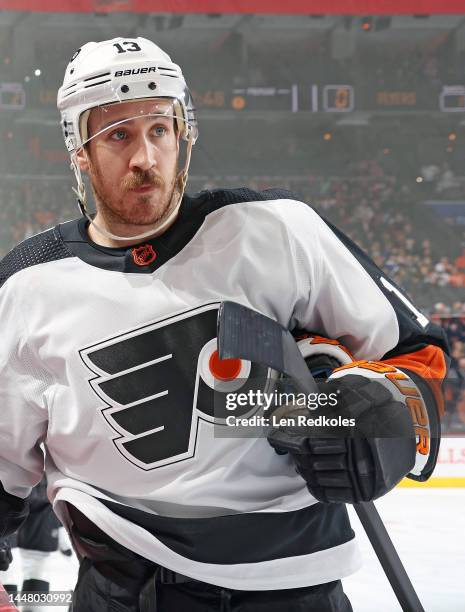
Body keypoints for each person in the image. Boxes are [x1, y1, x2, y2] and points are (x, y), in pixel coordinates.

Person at [0, 37, 448, 612]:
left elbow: (418, 357)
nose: (146, 157)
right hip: (123, 594)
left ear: (183, 133)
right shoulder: (26, 286)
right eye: (118, 135)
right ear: (78, 151)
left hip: (297, 592)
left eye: (160, 130)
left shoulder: (279, 231)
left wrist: (374, 411)